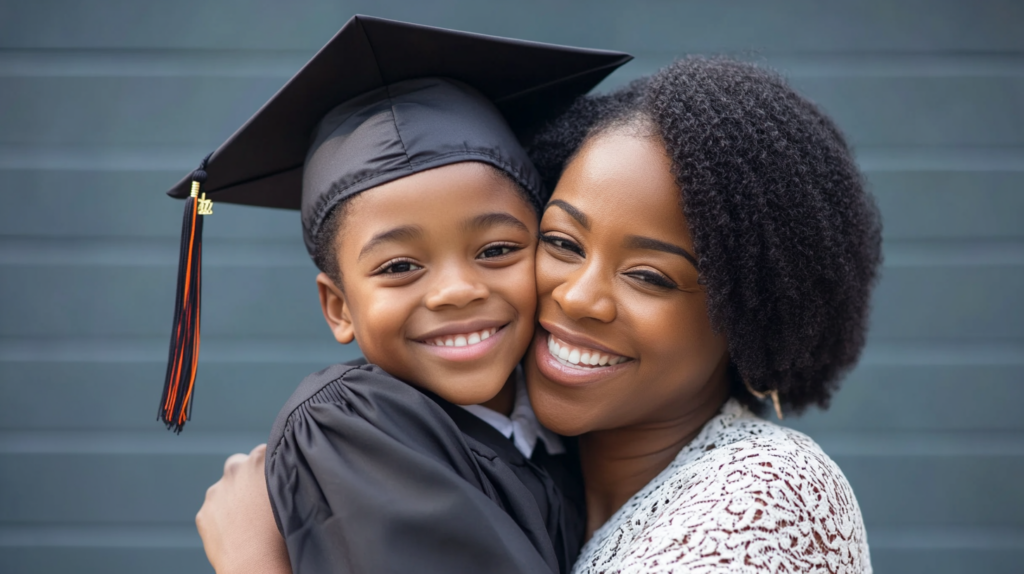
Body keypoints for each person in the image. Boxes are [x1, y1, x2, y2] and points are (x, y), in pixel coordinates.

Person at [199, 56, 881, 573]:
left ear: (748, 308)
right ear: (337, 304)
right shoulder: (448, 438)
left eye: (649, 275)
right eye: (561, 242)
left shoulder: (761, 497)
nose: (580, 297)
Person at [172, 14, 630, 574]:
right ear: (338, 308)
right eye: (399, 265)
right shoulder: (356, 427)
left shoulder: (560, 418)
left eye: (496, 251)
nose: (458, 291)